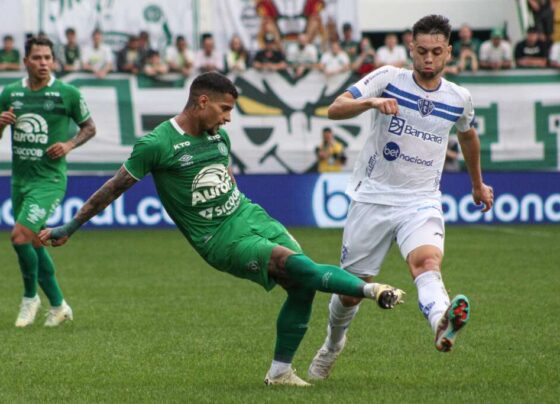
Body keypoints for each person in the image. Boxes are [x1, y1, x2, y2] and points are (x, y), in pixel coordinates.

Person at [39, 72, 404, 386]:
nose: (229, 118)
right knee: (295, 266)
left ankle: (280, 373)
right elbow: (113, 188)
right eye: (225, 109)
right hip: (219, 239)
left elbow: (224, 176)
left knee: (302, 284)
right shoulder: (157, 144)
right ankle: (372, 289)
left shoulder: (218, 137)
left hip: (249, 215)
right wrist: (70, 226)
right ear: (201, 102)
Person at [307, 14, 494, 381]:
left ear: (448, 53)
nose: (428, 58)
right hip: (373, 198)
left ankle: (441, 320)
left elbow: (468, 137)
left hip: (421, 200)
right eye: (421, 51)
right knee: (350, 292)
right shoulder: (388, 79)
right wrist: (371, 104)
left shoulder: (459, 98)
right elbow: (335, 108)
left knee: (426, 263)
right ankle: (332, 344)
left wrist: (477, 184)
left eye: (436, 52)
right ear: (411, 48)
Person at [0, 36, 96, 328]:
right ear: (26, 61)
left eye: (47, 58)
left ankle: (30, 299)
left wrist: (69, 145)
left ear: (53, 61)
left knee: (19, 237)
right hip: (21, 181)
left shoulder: (67, 93)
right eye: (37, 58)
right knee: (35, 242)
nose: (43, 63)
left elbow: (89, 128)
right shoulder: (11, 93)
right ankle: (59, 306)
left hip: (50, 180)